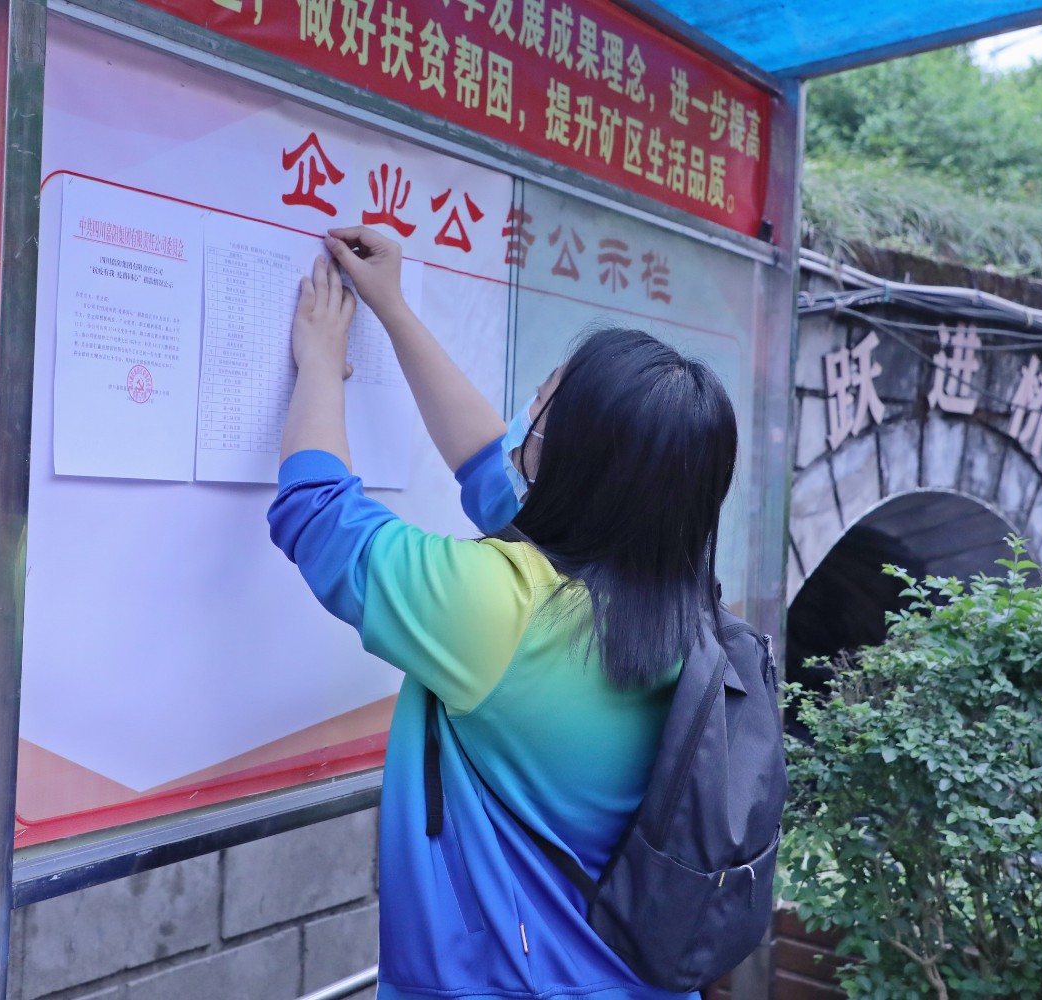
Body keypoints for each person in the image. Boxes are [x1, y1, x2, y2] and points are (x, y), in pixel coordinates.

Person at [268, 224, 739, 1000]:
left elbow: (316, 516)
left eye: (544, 400)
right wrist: (392, 307)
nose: (526, 411)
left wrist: (319, 361)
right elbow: (489, 465)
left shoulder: (502, 609)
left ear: (575, 457)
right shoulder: (683, 607)